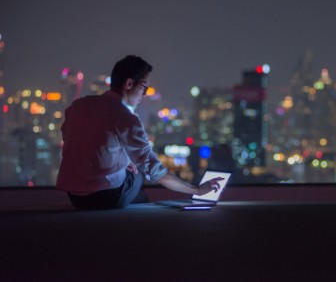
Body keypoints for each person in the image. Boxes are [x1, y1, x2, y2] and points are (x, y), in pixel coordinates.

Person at [56, 55, 222, 209]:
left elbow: (82, 144)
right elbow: (156, 171)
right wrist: (197, 189)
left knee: (130, 169)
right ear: (129, 83)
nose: (145, 94)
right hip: (105, 197)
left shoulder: (77, 107)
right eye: (144, 88)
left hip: (75, 197)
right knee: (138, 176)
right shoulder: (126, 118)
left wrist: (123, 161)